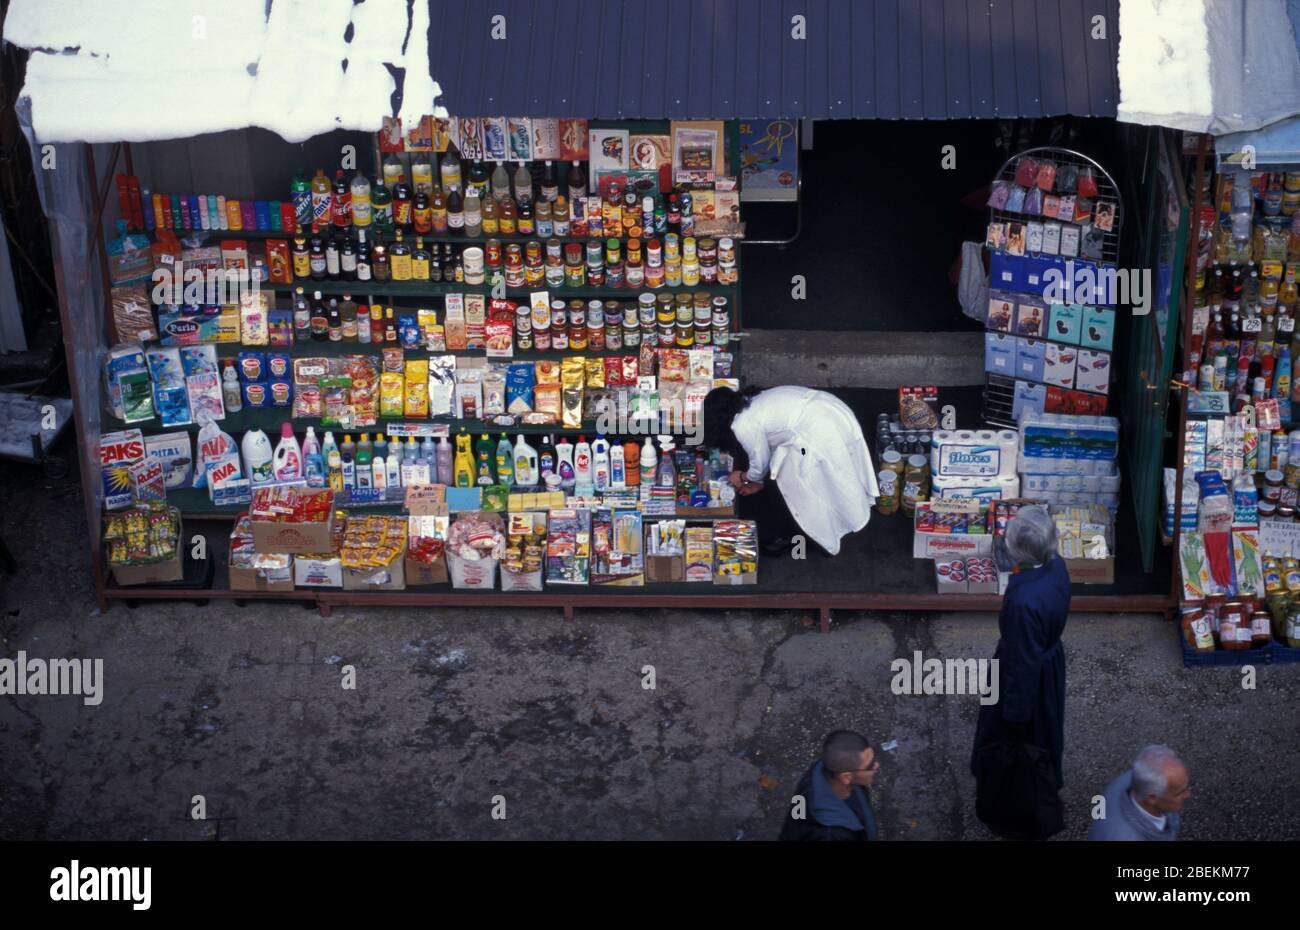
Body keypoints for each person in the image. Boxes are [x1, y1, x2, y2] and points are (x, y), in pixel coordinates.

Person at [701, 385, 878, 556]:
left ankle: (799, 535)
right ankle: (849, 510)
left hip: (819, 432)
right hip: (833, 409)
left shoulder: (742, 425)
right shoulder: (753, 399)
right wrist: (757, 484)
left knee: (794, 483)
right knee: (840, 471)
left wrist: (741, 476)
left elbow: (759, 465)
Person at [971, 506, 1071, 790]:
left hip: (1026, 673)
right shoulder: (1056, 566)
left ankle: (1015, 799)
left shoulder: (1024, 602)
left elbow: (1022, 666)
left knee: (1020, 740)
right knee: (1046, 730)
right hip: (1050, 660)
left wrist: (1014, 716)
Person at [779, 730, 881, 841]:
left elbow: (796, 820)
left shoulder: (815, 775)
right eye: (870, 765)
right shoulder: (833, 834)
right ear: (846, 777)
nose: (877, 765)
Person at [1088, 746, 1189, 841]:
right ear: (1152, 798)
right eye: (1180, 793)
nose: (1188, 795)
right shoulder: (1123, 837)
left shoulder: (1142, 779)